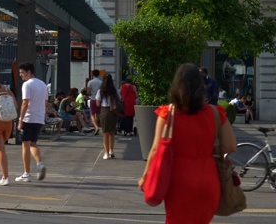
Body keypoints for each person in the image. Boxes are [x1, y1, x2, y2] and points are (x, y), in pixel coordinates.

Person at [138, 63, 237, 224]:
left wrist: (145, 176)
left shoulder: (168, 114)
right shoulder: (215, 113)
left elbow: (156, 149)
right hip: (208, 179)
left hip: (178, 181)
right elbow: (231, 145)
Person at [15, 61, 47, 182]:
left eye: (22, 72)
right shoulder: (43, 84)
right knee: (33, 143)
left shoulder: (27, 85)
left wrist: (20, 120)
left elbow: (25, 103)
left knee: (25, 145)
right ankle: (40, 164)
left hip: (28, 118)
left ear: (29, 72)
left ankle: (26, 173)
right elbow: (45, 102)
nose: (21, 75)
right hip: (39, 118)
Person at [96, 74, 119, 159]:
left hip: (104, 111)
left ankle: (106, 153)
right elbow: (118, 100)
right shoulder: (114, 91)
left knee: (105, 133)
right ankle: (111, 150)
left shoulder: (101, 91)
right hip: (113, 112)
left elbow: (98, 104)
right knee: (112, 132)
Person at [87, 69, 103, 135]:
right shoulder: (101, 82)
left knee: (92, 114)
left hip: (93, 99)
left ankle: (96, 127)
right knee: (98, 114)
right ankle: (96, 126)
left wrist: (90, 94)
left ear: (92, 74)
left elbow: (88, 92)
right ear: (99, 74)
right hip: (99, 99)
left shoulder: (90, 82)